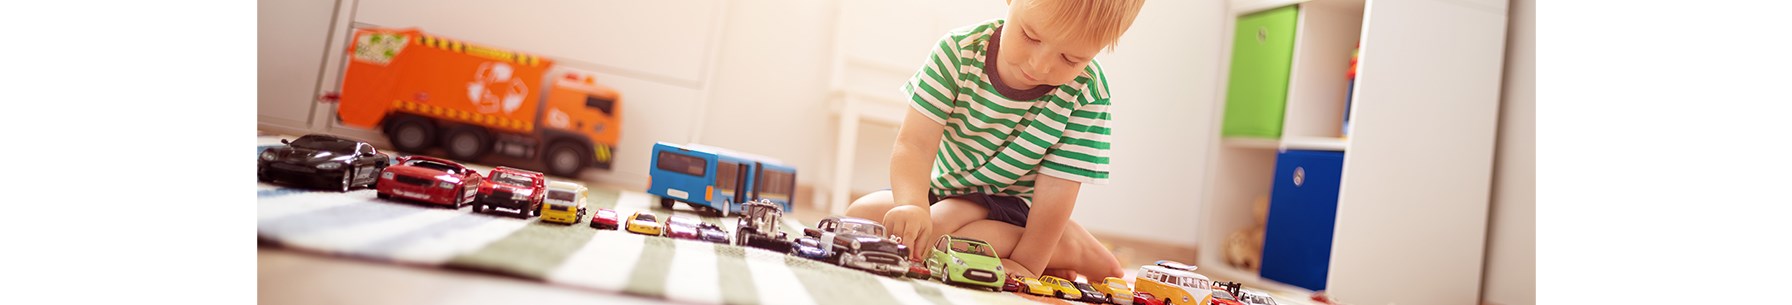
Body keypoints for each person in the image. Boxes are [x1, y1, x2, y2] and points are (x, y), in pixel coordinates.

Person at [844, 0, 1146, 281]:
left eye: (1070, 59)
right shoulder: (958, 51)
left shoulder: (1086, 94)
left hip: (1012, 208)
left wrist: (1029, 263)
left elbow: (1057, 192)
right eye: (1030, 36)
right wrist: (913, 206)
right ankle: (1059, 243)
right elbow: (914, 144)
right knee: (862, 214)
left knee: (954, 243)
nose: (1040, 65)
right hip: (945, 190)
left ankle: (1071, 246)